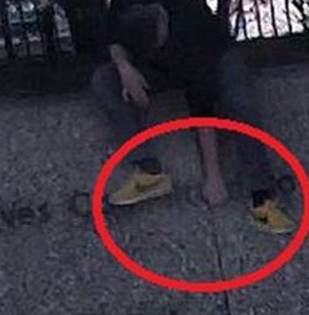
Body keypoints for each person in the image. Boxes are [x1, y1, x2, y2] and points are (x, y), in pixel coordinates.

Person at [91, 0, 295, 233]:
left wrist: (213, 177)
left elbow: (201, 101)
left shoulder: (188, 23)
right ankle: (149, 172)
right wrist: (124, 67)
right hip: (159, 65)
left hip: (216, 56)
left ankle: (262, 198)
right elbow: (113, 38)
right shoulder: (126, 10)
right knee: (103, 80)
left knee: (242, 104)